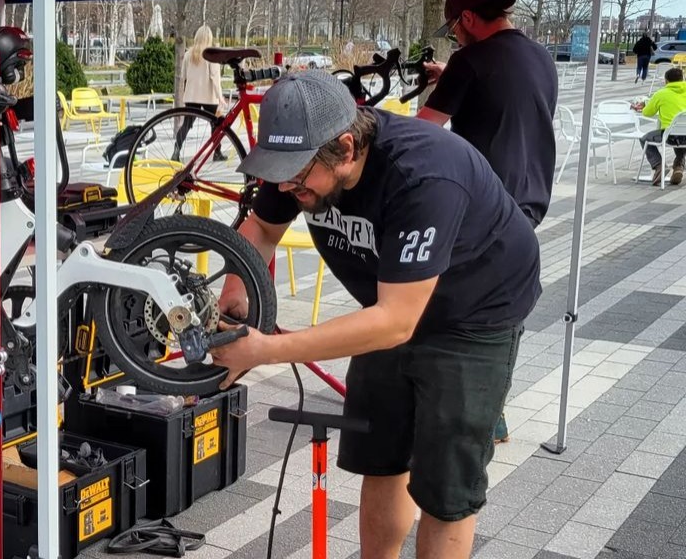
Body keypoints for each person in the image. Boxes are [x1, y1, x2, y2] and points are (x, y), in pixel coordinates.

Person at [210, 71, 541, 559]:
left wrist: (266, 350)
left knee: (445, 486)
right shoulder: (300, 155)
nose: (284, 184)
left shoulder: (424, 176)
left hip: (474, 313)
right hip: (389, 303)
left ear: (346, 148)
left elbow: (395, 323)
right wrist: (237, 292)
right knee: (380, 455)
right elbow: (261, 228)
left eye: (297, 177)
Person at [416, 0, 557, 444]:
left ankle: (477, 411)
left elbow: (423, 132)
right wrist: (450, 76)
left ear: (469, 19)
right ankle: (491, 408)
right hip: (529, 199)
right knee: (504, 303)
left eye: (455, 29)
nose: (455, 37)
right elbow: (506, 97)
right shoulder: (541, 57)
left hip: (481, 204)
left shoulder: (470, 61)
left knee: (462, 304)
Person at [173, 24, 228, 162]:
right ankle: (217, 152)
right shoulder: (211, 55)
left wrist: (185, 93)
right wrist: (220, 96)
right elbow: (215, 78)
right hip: (209, 96)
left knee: (186, 124)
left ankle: (176, 151)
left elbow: (183, 76)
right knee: (216, 124)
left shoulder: (188, 54)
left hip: (192, 96)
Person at [633, 66, 686, 185]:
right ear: (682, 79)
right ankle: (678, 166)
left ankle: (659, 165)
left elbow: (647, 112)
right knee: (681, 137)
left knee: (644, 138)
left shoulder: (661, 94)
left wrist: (644, 106)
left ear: (666, 81)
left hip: (669, 135)